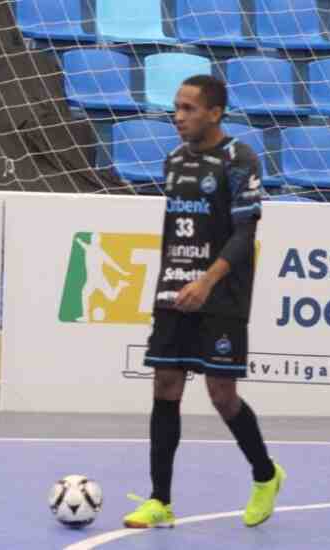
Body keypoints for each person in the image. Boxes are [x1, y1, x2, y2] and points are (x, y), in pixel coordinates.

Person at [123, 75, 285, 529]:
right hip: (174, 288)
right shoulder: (173, 161)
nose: (178, 116)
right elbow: (178, 228)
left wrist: (207, 282)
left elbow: (245, 232)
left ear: (214, 112)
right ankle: (160, 501)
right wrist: (174, 283)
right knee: (165, 388)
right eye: (176, 107)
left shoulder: (239, 159)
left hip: (222, 294)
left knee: (222, 396)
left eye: (189, 108)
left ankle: (265, 475)